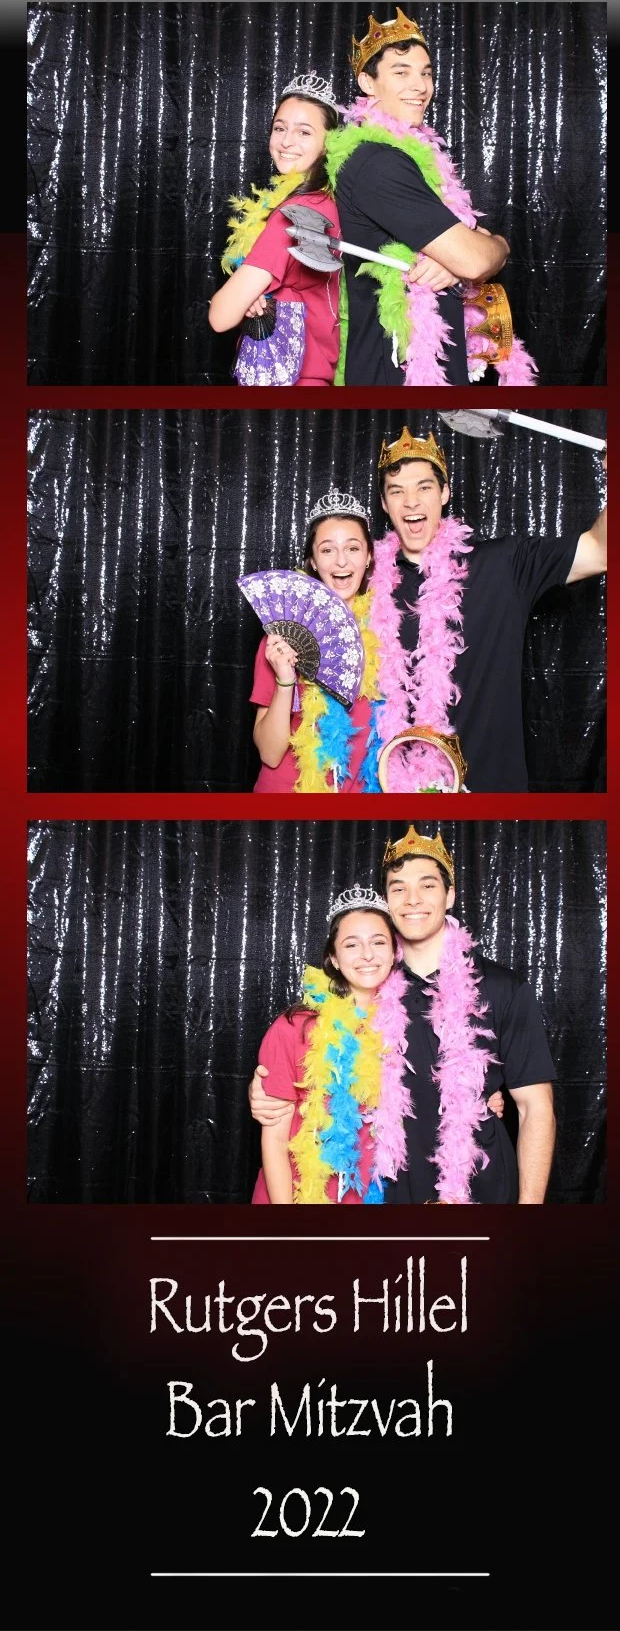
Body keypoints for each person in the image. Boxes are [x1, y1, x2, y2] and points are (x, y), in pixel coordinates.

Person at [250, 825, 553, 1206]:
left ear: (450, 895)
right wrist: (268, 1090)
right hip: (388, 1192)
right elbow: (314, 1058)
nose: (412, 900)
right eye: (398, 888)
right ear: (387, 902)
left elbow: (535, 1107)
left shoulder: (502, 988)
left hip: (482, 1189)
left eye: (427, 885)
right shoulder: (371, 987)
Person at [363, 423, 607, 793]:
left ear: (445, 493)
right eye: (397, 491)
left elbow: (601, 551)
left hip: (492, 794)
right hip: (396, 792)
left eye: (424, 487)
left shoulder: (505, 564)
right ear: (384, 504)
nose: (411, 501)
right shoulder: (367, 585)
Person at [324, 6, 536, 388]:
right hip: (397, 370)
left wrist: (455, 260)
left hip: (429, 357)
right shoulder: (378, 164)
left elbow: (461, 253)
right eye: (401, 72)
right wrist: (496, 247)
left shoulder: (409, 157)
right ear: (368, 82)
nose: (420, 86)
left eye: (426, 73)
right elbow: (474, 258)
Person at [252, 889, 410, 1205]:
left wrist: (488, 1095)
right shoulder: (294, 1027)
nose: (367, 955)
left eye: (378, 942)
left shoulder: (409, 1026)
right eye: (351, 945)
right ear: (334, 958)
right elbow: (275, 1139)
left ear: (395, 952)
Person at [209, 72, 341, 386]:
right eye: (280, 128)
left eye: (304, 132)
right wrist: (259, 295)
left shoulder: (295, 215)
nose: (286, 142)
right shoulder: (329, 203)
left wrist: (240, 298)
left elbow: (220, 316)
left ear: (329, 143)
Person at [250, 486, 380, 792]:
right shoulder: (281, 640)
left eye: (352, 548)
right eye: (327, 550)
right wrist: (285, 680)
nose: (341, 562)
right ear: (313, 560)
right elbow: (269, 754)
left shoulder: (389, 634)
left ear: (369, 556)